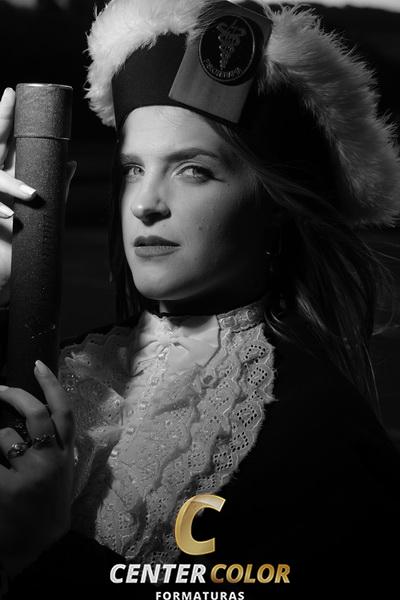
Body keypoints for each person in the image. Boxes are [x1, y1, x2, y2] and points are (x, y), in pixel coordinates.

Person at [0, 0, 400, 596]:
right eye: (133, 169)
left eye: (193, 170)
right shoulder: (72, 362)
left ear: (274, 205)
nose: (145, 204)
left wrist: (47, 552)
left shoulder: (321, 436)